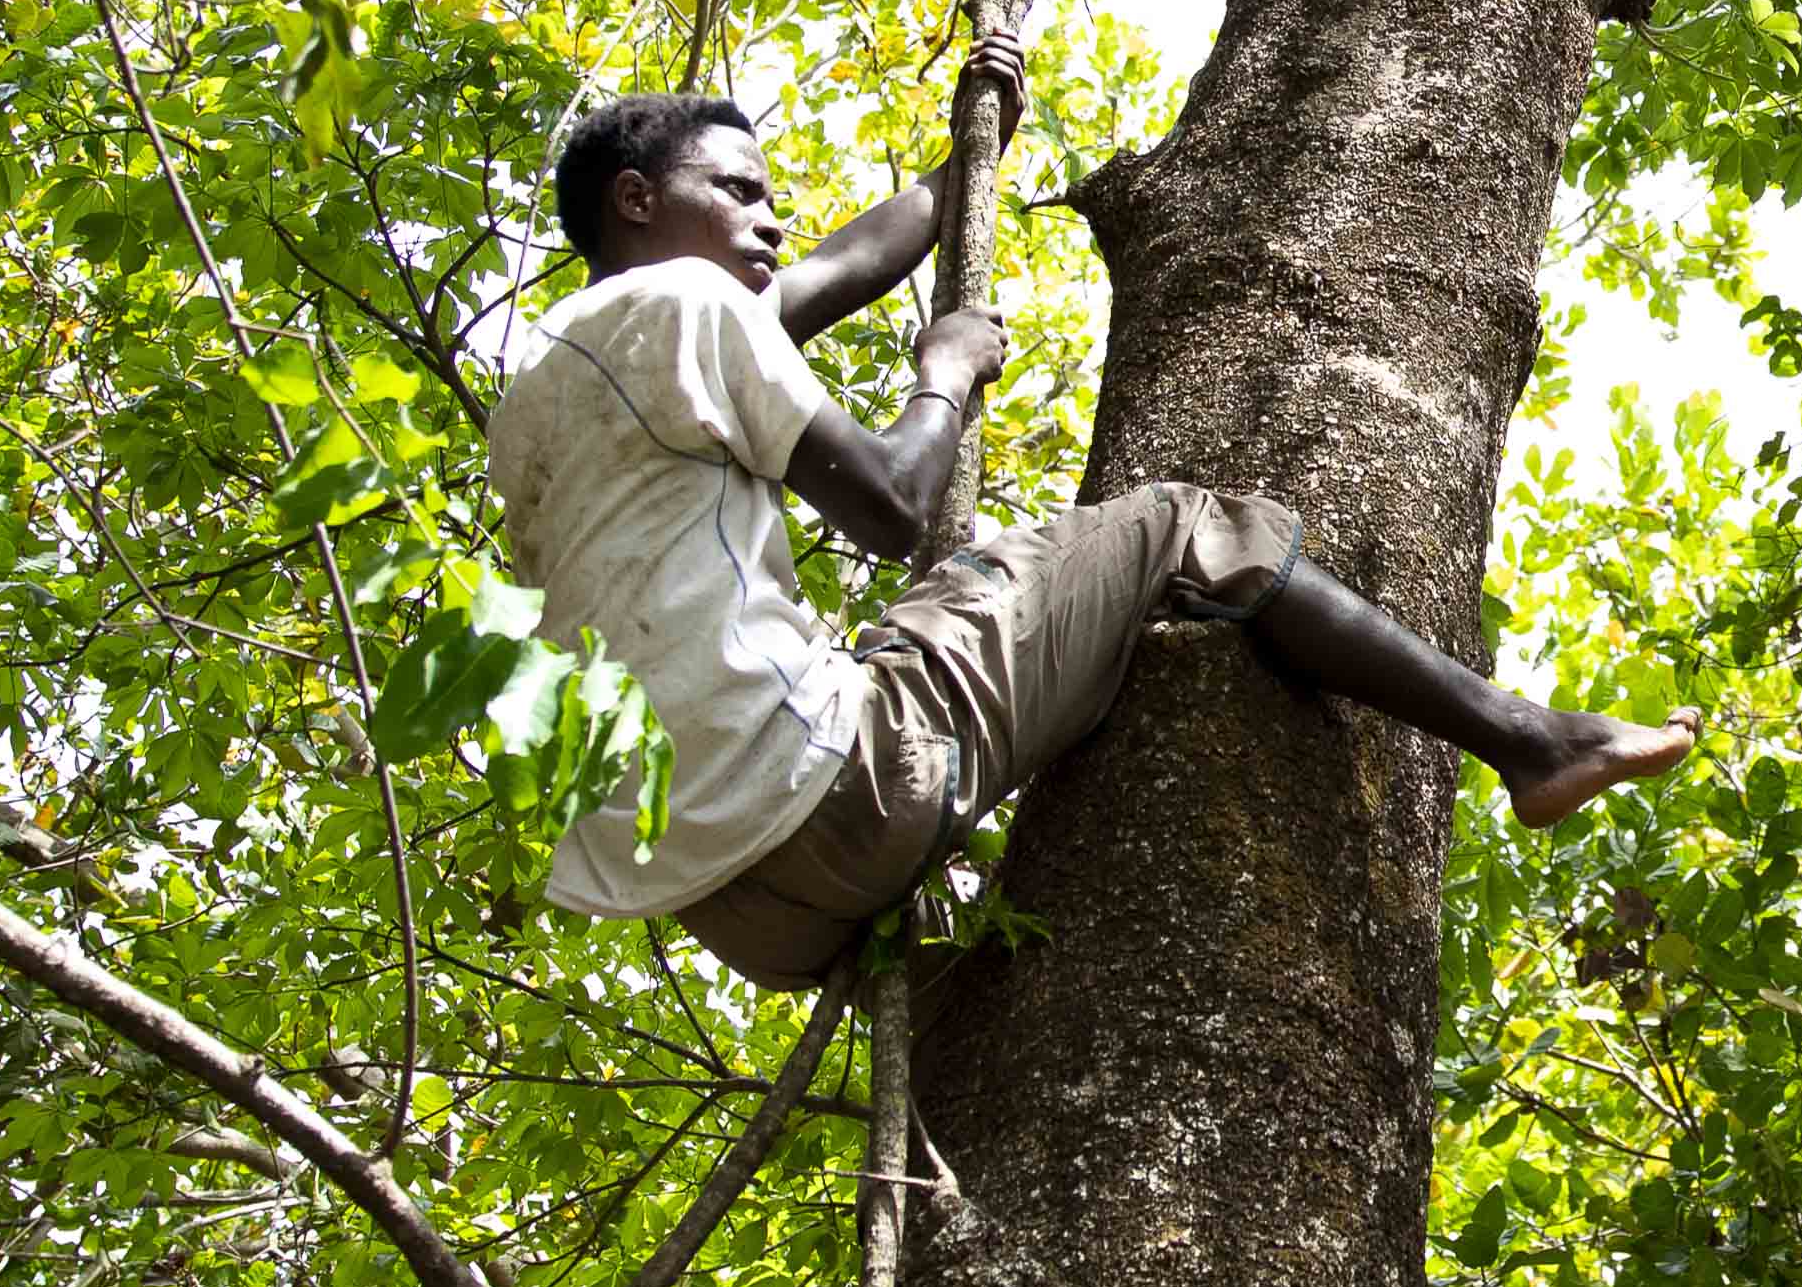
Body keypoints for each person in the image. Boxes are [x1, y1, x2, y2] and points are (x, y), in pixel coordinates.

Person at [493, 71, 1698, 988]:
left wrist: (975, 149)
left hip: (737, 915)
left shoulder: (548, 387)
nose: (766, 220)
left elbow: (829, 269)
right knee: (1183, 521)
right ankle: (1529, 739)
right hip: (831, 792)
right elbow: (894, 508)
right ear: (640, 200)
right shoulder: (686, 300)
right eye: (739, 193)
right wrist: (944, 374)